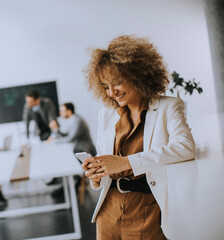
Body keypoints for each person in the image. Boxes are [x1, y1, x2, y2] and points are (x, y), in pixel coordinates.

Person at [82, 35, 195, 240]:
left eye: (117, 82)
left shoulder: (168, 107)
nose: (112, 92)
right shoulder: (106, 114)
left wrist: (126, 163)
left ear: (137, 75)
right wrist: (96, 175)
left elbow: (185, 147)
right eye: (106, 85)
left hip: (147, 209)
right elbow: (106, 159)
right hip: (108, 210)